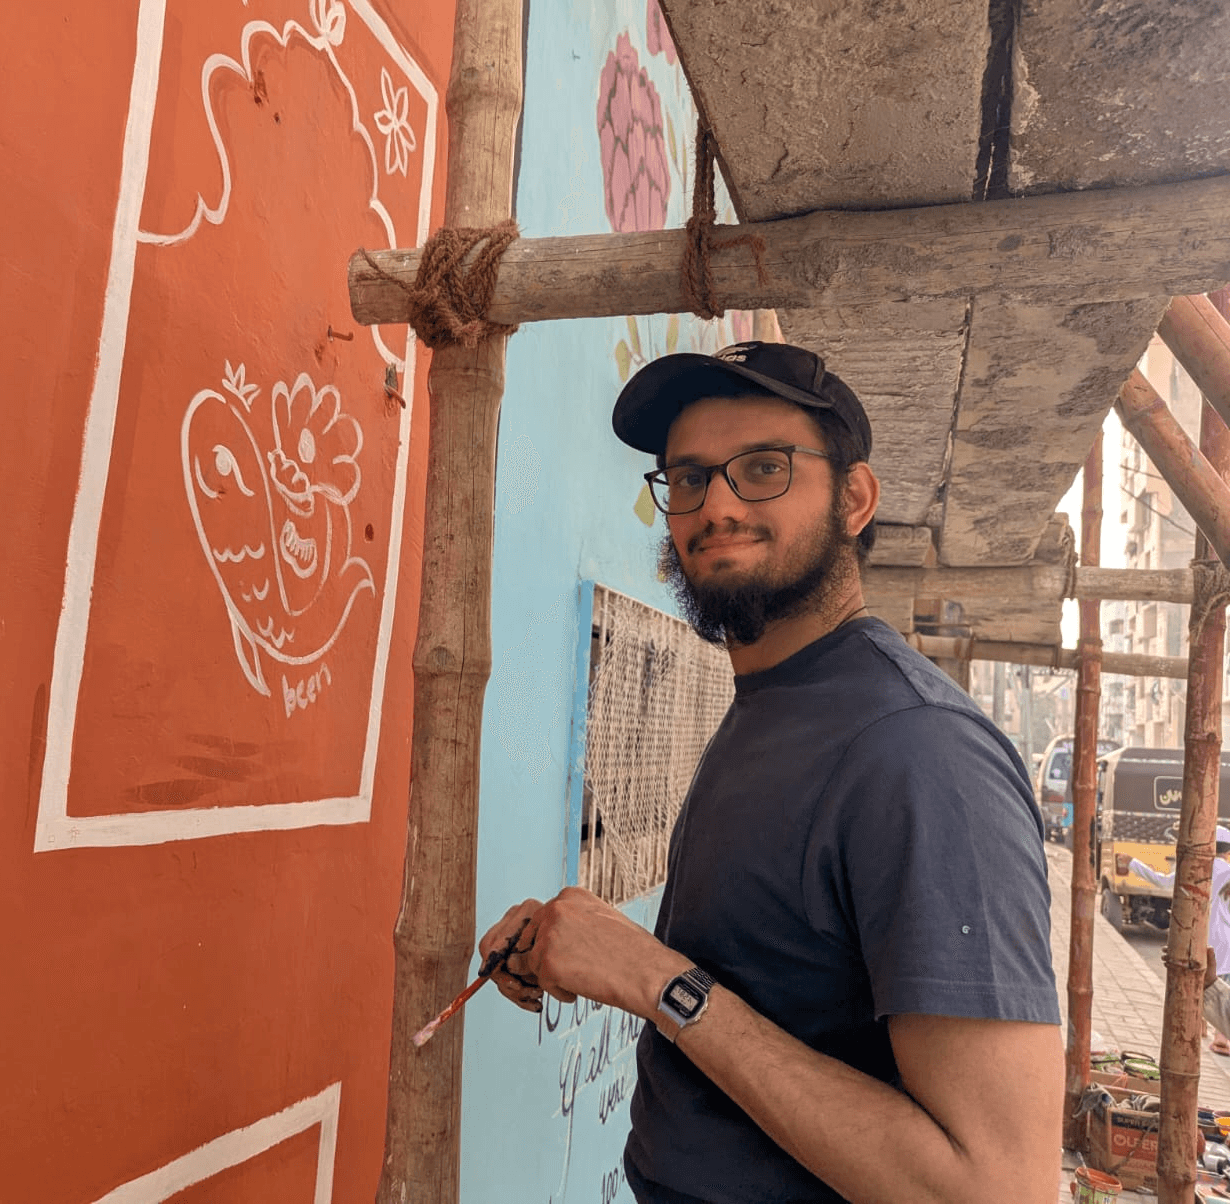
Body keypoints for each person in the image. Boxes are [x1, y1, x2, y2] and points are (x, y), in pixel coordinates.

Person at [480, 341, 1064, 1203]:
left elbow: (993, 1187)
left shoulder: (920, 753)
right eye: (687, 479)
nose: (714, 505)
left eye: (762, 468)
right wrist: (595, 955)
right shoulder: (772, 700)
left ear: (855, 498)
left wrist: (656, 980)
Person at [1131, 827, 1230, 1054]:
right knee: (1220, 981)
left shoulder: (1198, 867)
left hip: (1200, 935)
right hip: (1226, 937)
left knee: (1198, 982)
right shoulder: (1228, 871)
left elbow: (1164, 882)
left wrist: (1134, 864)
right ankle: (1221, 1037)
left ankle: (1199, 1027)